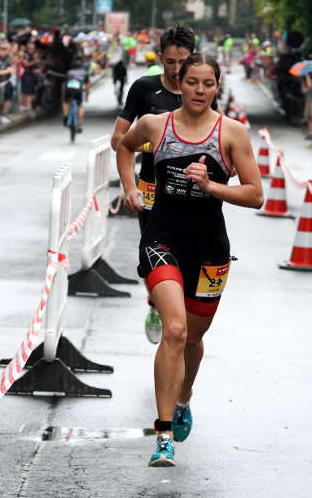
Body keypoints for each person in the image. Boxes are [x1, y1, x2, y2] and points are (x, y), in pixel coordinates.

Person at [116, 53, 263, 467]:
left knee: (194, 340)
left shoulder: (232, 134)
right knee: (175, 331)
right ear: (179, 83)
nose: (199, 91)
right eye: (192, 82)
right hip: (161, 237)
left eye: (208, 84)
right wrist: (130, 188)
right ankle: (163, 433)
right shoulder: (154, 125)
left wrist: (213, 186)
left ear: (218, 87)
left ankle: (184, 398)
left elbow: (255, 195)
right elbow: (124, 148)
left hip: (210, 248)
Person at [111, 25, 220, 345]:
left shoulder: (200, 91)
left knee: (188, 255)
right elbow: (120, 140)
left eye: (181, 63)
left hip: (191, 194)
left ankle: (177, 307)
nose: (175, 70)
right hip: (151, 188)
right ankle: (158, 304)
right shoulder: (144, 89)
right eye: (169, 62)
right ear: (161, 58)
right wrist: (151, 154)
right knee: (153, 254)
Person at [62, 58, 90, 133]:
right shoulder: (84, 73)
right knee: (80, 105)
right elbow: (87, 85)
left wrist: (64, 93)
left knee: (66, 102)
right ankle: (80, 124)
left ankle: (65, 116)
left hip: (69, 90)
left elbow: (64, 84)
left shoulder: (69, 72)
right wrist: (87, 95)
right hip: (79, 91)